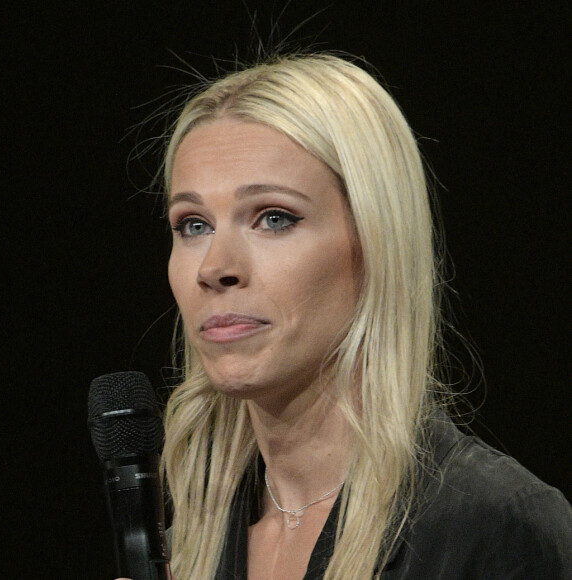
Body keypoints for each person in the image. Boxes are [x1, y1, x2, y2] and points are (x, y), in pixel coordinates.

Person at [118, 53, 571, 579]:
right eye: (193, 225)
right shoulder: (182, 557)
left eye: (273, 218)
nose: (215, 267)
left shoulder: (494, 530)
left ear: (376, 243)